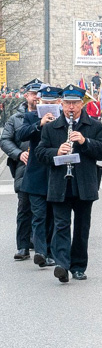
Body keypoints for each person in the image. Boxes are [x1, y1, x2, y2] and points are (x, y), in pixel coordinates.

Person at [35, 84, 102, 283]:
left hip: (84, 183)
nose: (70, 107)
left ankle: (78, 266)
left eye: (75, 103)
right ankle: (62, 265)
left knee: (81, 227)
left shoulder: (93, 126)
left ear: (81, 104)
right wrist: (56, 152)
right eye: (67, 103)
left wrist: (85, 142)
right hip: (60, 183)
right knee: (61, 225)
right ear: (61, 104)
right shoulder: (51, 127)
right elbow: (40, 153)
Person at [17, 84, 60, 268]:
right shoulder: (30, 117)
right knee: (39, 215)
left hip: (55, 173)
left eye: (52, 102)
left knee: (52, 215)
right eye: (45, 101)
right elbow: (21, 134)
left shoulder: (64, 119)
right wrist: (39, 124)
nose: (48, 104)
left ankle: (50, 252)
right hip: (35, 174)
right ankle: (41, 252)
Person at [1, 80, 39, 261]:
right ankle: (23, 246)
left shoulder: (49, 115)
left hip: (44, 167)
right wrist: (18, 153)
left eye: (40, 94)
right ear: (27, 95)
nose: (37, 97)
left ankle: (40, 245)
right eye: (34, 94)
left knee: (43, 208)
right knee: (25, 207)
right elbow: (5, 140)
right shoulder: (16, 118)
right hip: (23, 168)